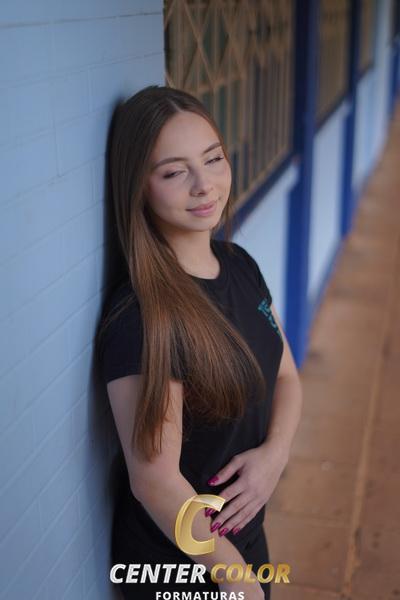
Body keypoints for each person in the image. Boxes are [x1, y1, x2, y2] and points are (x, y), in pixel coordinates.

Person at [97, 85, 302, 599]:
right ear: (138, 187)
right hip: (184, 562)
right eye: (174, 172)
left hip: (243, 538)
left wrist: (274, 456)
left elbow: (287, 376)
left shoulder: (239, 264)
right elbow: (156, 482)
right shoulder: (141, 316)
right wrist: (235, 578)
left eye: (212, 159)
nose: (204, 184)